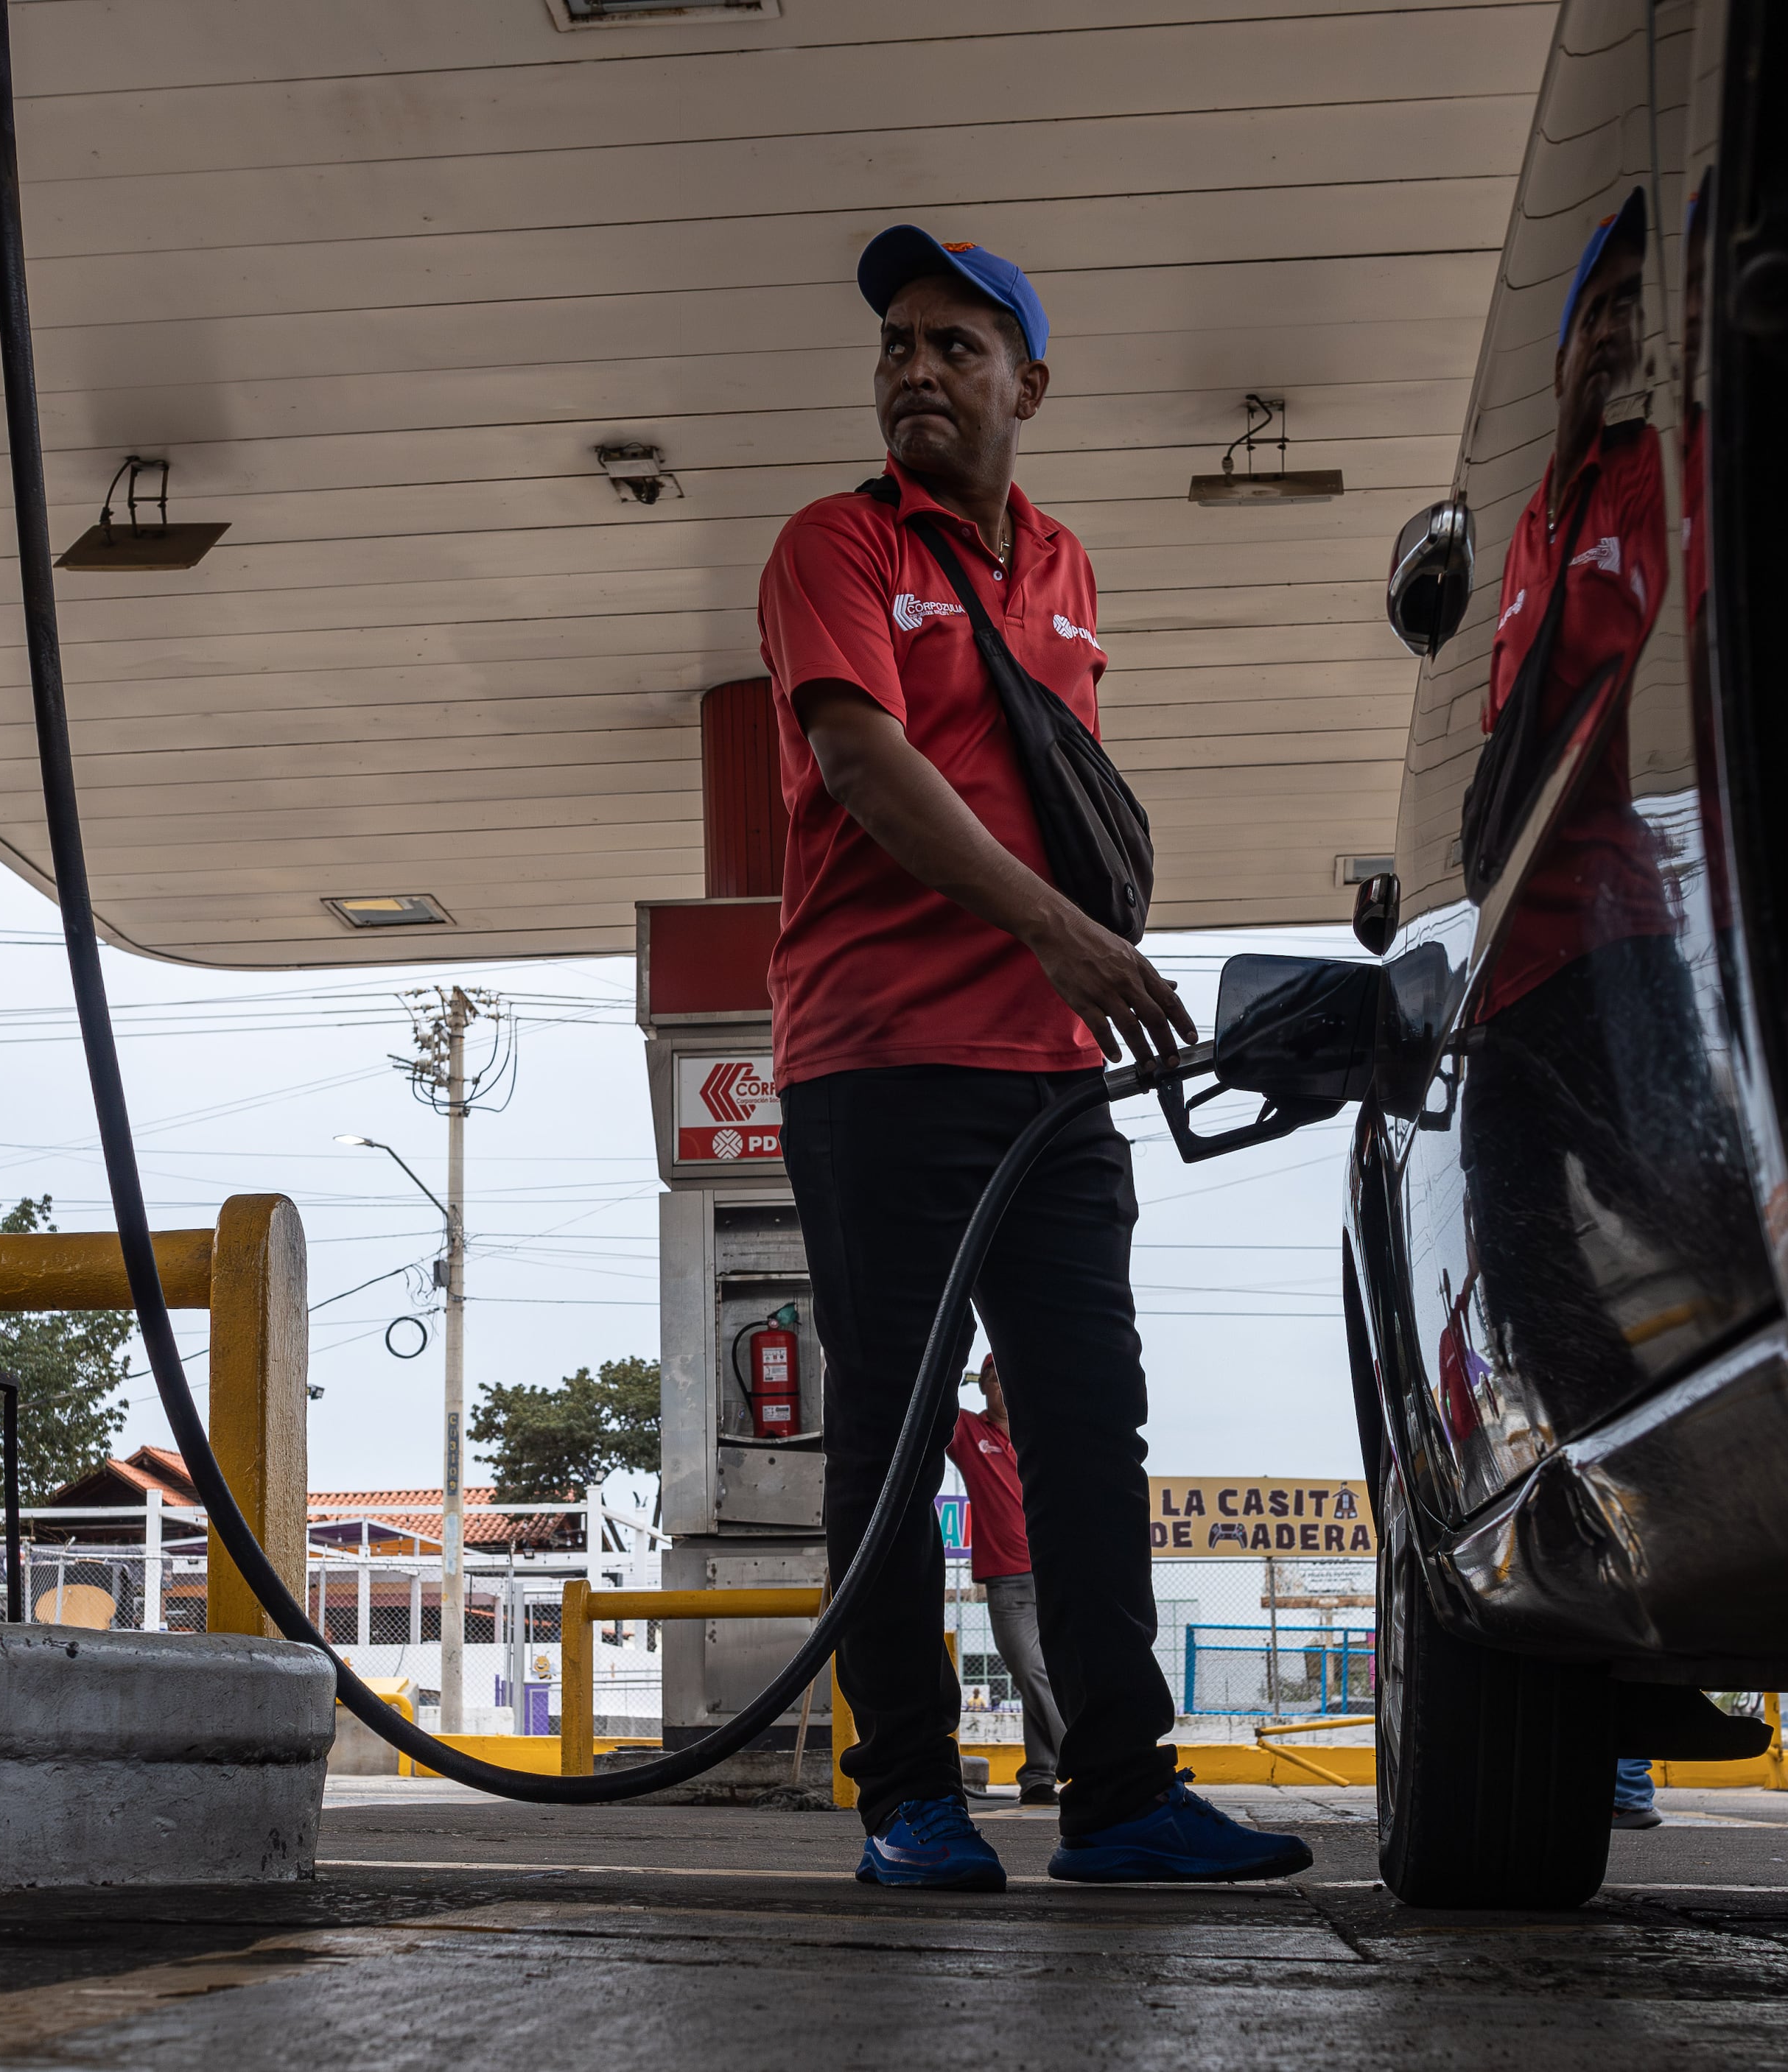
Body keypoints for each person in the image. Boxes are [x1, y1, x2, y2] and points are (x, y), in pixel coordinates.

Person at [757, 225, 1312, 1892]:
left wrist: (1081, 962)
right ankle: (908, 1796)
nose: (915, 370)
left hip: (1051, 1077)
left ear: (1029, 384)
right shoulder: (833, 547)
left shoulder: (1064, 565)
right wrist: (1062, 932)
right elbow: (863, 766)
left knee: (1089, 1422)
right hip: (876, 1055)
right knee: (895, 1435)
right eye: (896, 347)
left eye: (955, 345)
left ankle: (1122, 1789)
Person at [1458, 189, 1776, 1826]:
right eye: (1606, 309)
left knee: (1704, 1243)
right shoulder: (1535, 516)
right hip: (1514, 967)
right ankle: (1632, 1654)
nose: (1624, 337)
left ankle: (1766, 1538)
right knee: (1535, 1293)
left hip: (1631, 945)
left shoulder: (1684, 475)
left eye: (1655, 309)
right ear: (1570, 345)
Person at [951, 1360, 1062, 1804]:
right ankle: (1085, 1758)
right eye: (995, 1378)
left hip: (1055, 1574)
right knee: (1031, 1671)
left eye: (1011, 1376)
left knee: (1046, 1674)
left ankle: (1039, 1776)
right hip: (1008, 1580)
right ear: (983, 1388)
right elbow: (930, 1399)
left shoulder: (1046, 1435)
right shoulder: (968, 1432)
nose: (1004, 1386)